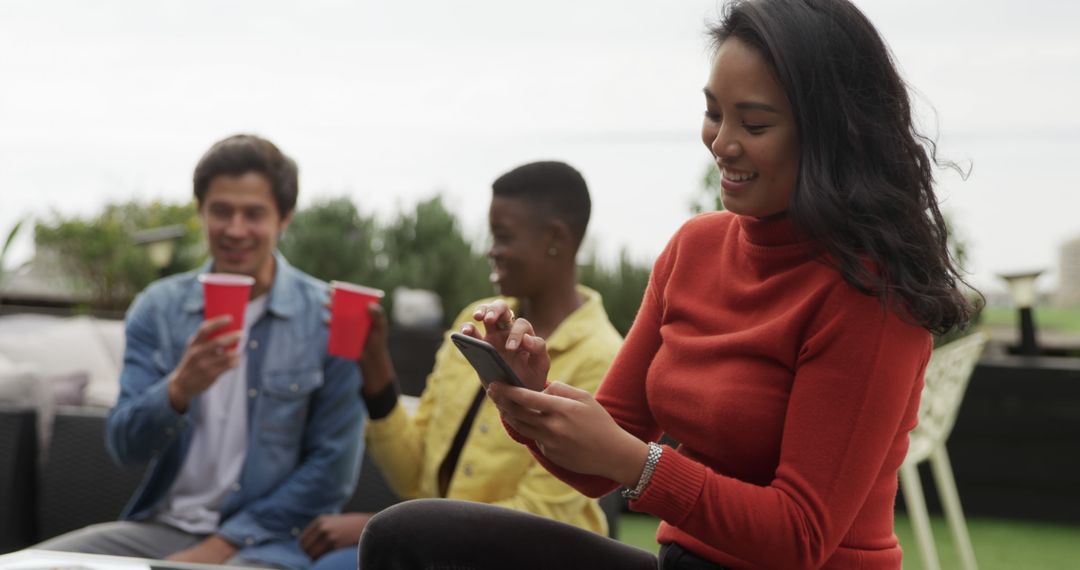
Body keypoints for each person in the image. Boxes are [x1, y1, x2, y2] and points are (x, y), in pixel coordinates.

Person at [356, 0, 979, 568]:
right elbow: (602, 462)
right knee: (408, 538)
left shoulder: (870, 296)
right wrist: (531, 395)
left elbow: (799, 537)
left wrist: (634, 462)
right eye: (713, 113)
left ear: (829, 133)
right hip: (680, 564)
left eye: (754, 125)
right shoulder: (696, 248)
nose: (722, 143)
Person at [36, 135, 365, 570]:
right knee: (32, 565)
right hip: (162, 531)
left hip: (272, 539)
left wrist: (221, 546)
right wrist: (177, 389)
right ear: (201, 212)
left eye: (253, 214)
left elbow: (332, 470)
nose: (234, 229)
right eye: (221, 211)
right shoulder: (158, 309)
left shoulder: (331, 317)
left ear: (284, 218)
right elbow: (123, 446)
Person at [298, 161, 622, 570]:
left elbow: (544, 515)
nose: (491, 250)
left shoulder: (602, 357)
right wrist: (376, 369)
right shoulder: (475, 320)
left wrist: (391, 530)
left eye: (503, 237)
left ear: (554, 238)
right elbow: (414, 477)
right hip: (442, 549)